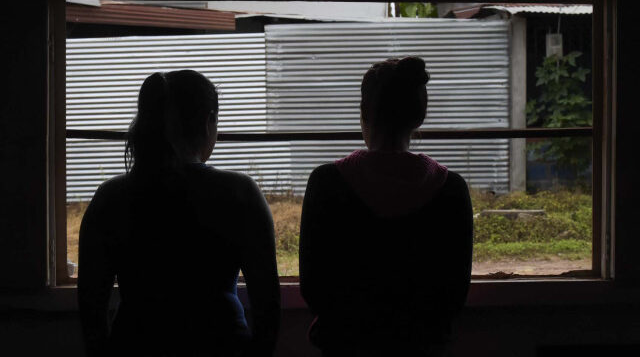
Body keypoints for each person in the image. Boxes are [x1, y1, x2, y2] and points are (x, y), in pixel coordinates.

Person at [78, 70, 281, 357]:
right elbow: (268, 307)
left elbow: (90, 308)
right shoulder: (240, 194)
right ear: (208, 121)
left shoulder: (110, 198)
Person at [299, 57, 473, 357]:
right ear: (420, 116)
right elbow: (453, 296)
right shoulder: (451, 189)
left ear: (365, 112)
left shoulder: (326, 183)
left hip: (345, 345)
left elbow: (314, 289)